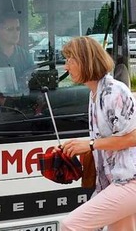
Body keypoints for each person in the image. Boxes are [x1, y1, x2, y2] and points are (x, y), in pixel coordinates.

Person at [59, 37, 136, 231]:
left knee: (71, 225)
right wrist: (82, 147)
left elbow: (134, 137)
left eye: (70, 60)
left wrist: (90, 145)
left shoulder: (114, 92)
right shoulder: (95, 93)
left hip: (129, 180)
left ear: (85, 61)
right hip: (117, 179)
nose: (66, 67)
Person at [0, 12, 34, 79]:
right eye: (10, 29)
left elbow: (31, 83)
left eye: (18, 29)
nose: (15, 33)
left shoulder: (26, 57)